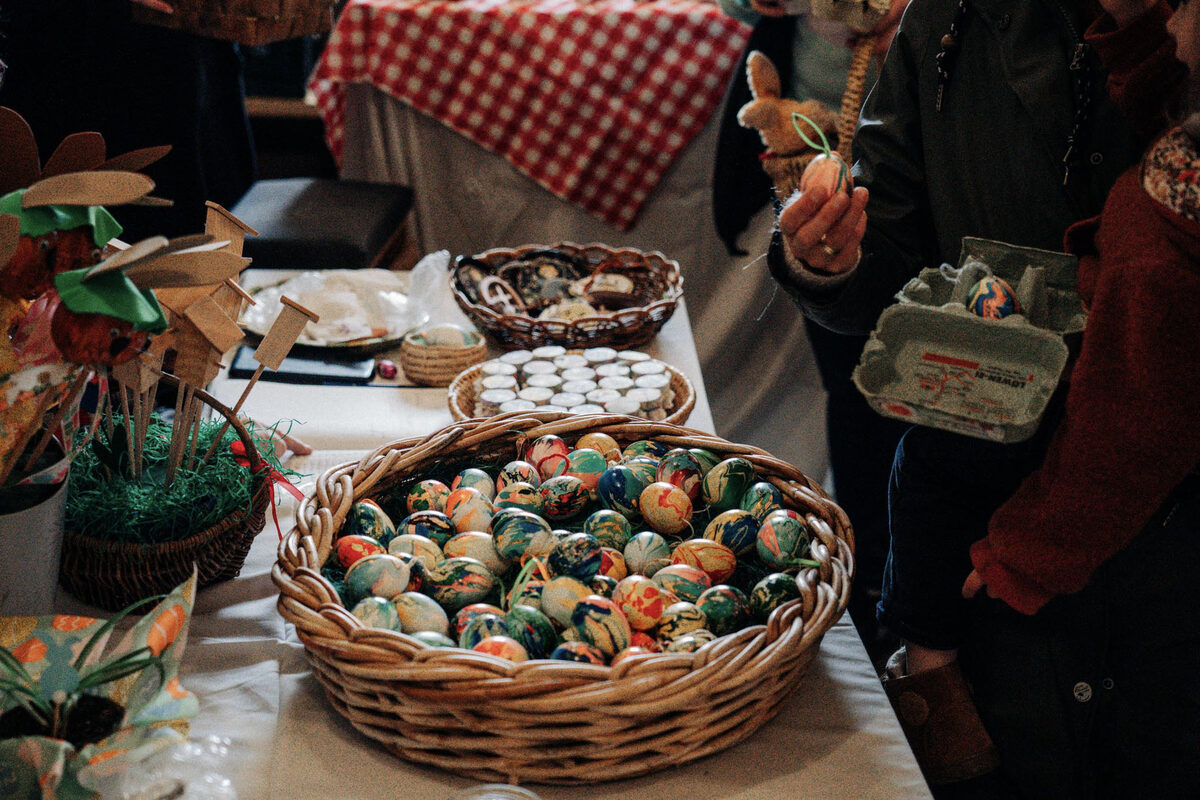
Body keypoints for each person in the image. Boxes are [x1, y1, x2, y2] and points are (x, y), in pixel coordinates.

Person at [768, 0, 1197, 793]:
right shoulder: (943, 21)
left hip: (1158, 535)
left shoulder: (1169, 35)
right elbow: (893, 266)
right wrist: (828, 262)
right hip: (982, 502)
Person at [713, 0, 909, 662]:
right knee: (853, 383)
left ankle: (904, 601)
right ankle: (868, 592)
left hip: (919, 137)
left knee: (923, 386)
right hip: (814, 139)